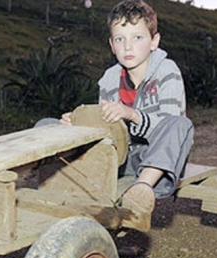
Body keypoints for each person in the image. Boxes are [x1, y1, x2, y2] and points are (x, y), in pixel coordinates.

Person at [60, 0, 194, 216]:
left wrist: (132, 115)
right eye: (120, 39)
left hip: (156, 159)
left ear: (154, 41)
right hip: (122, 159)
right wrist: (78, 122)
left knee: (180, 124)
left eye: (137, 37)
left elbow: (168, 125)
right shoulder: (109, 79)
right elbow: (106, 128)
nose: (128, 47)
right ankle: (59, 188)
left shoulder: (167, 71)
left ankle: (140, 190)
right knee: (49, 125)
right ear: (112, 45)